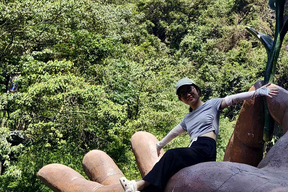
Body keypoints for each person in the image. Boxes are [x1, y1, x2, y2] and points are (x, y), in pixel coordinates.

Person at [119, 78, 279, 192]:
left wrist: (258, 92)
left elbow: (232, 99)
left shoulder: (212, 104)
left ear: (196, 90)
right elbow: (173, 133)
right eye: (183, 94)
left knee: (172, 155)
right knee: (167, 173)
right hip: (193, 149)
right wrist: (159, 145)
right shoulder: (187, 118)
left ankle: (137, 185)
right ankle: (140, 189)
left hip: (205, 148)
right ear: (181, 100)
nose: (187, 94)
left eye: (189, 90)